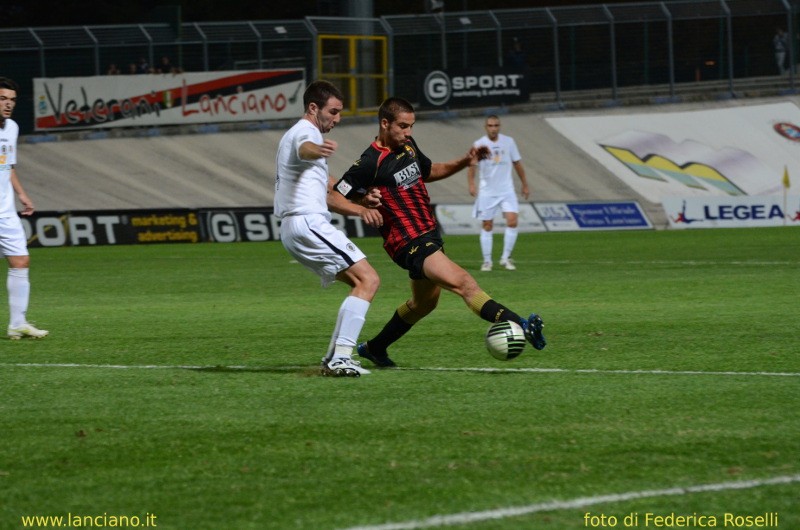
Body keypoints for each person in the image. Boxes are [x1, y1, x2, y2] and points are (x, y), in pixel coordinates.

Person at [333, 97, 546, 368]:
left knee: (424, 304)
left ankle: (374, 348)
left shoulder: (408, 146)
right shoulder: (369, 162)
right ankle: (521, 324)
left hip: (429, 234)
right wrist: (362, 204)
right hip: (408, 241)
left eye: (411, 126)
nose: (408, 132)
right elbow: (334, 196)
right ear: (385, 124)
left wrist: (464, 161)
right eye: (402, 126)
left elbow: (429, 171)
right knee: (464, 283)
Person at [274, 80, 383, 377]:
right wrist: (317, 149)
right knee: (369, 280)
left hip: (297, 226)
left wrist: (361, 202)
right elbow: (305, 149)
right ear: (313, 108)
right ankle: (341, 358)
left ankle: (335, 357)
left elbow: (329, 191)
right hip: (308, 222)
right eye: (333, 112)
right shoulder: (304, 133)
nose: (337, 119)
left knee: (361, 283)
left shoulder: (305, 138)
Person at [0, 78, 48, 340]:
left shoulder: (12, 128)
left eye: (12, 99)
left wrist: (22, 195)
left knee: (21, 261)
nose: (8, 104)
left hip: (5, 211)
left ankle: (17, 323)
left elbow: (8, 166)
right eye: (2, 98)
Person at [467, 115, 529, 272]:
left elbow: (517, 163)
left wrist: (524, 184)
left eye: (496, 125)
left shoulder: (508, 142)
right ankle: (487, 261)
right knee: (487, 225)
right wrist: (472, 184)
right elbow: (472, 166)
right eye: (490, 125)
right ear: (485, 127)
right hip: (487, 191)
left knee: (512, 221)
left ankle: (505, 258)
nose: (493, 128)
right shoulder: (480, 144)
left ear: (499, 126)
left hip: (507, 190)